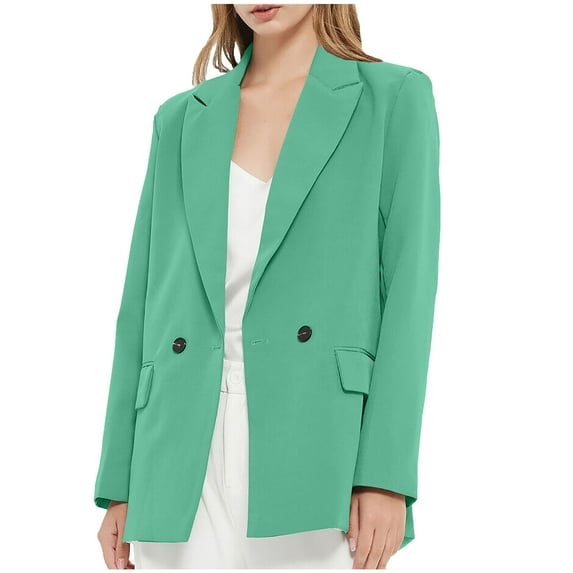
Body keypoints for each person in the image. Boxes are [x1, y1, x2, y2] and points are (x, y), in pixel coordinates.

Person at [94, 3, 441, 569]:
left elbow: (409, 297)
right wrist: (121, 482)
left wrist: (385, 475)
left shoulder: (393, 98)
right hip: (177, 451)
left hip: (318, 441)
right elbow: (142, 304)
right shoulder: (180, 119)